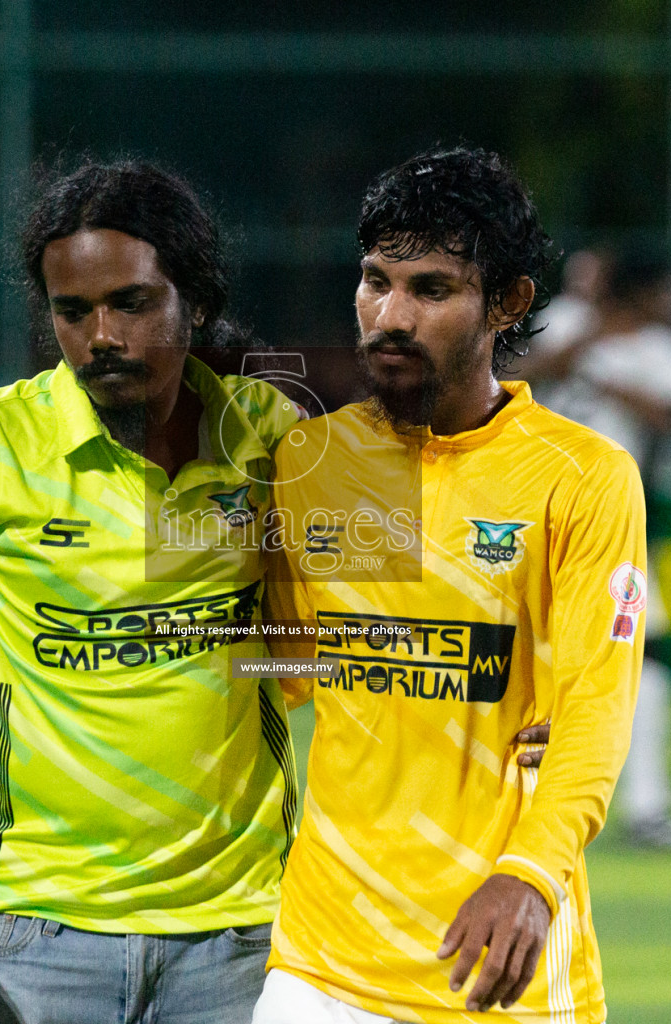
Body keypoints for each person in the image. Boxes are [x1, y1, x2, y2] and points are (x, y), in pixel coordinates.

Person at [0, 161, 306, 1024]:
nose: (100, 335)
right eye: (72, 311)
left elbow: (318, 657)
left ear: (195, 303)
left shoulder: (270, 439)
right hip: (32, 936)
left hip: (244, 934)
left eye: (131, 304)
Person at [253, 147, 644, 1024]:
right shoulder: (315, 461)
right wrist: (53, 684)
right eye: (374, 281)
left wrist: (532, 876)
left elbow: (595, 708)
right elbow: (277, 668)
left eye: (430, 290)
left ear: (507, 304)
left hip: (499, 961)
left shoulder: (581, 476)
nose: (389, 315)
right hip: (320, 971)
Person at [507, 245, 671, 851]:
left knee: (645, 650)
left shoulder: (661, 351)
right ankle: (625, 806)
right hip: (530, 504)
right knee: (540, 652)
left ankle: (640, 804)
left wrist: (608, 378)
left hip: (610, 513)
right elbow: (511, 374)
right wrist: (586, 342)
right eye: (664, 290)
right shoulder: (565, 320)